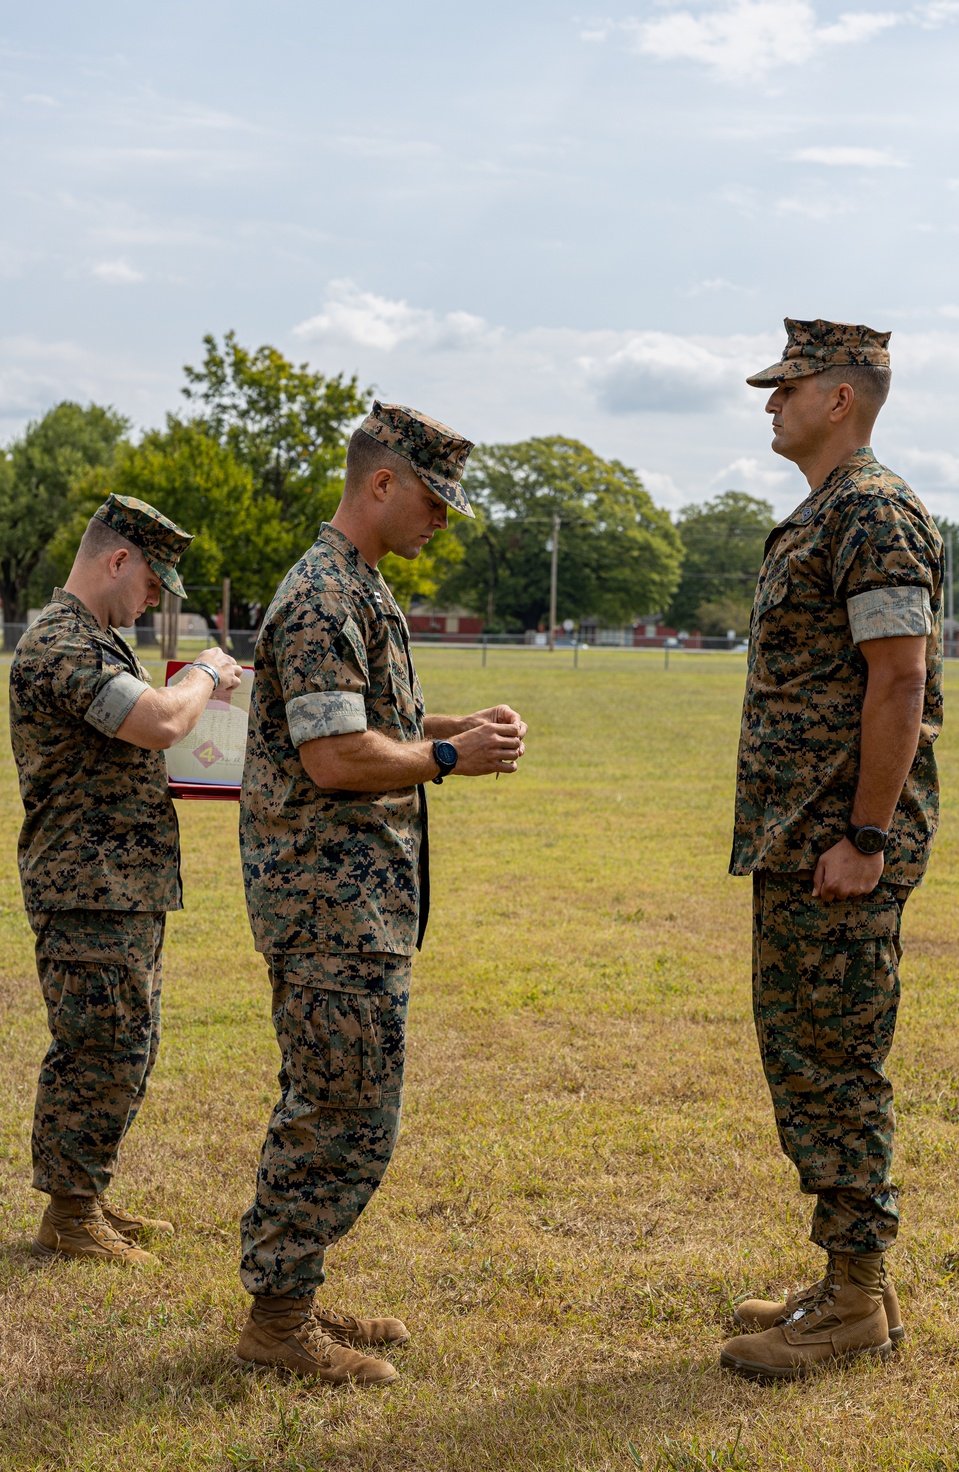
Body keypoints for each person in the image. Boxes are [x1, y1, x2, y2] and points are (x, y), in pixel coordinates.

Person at [236, 401, 527, 1387]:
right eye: (435, 500)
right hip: (326, 902)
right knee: (341, 1104)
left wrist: (455, 725)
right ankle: (278, 1318)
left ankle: (296, 1291)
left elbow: (372, 721)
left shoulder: (358, 585)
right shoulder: (322, 595)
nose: (442, 520)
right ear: (382, 482)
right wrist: (448, 754)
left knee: (349, 1097)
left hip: (355, 898)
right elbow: (333, 756)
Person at [719, 319, 944, 1381]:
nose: (770, 402)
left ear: (838, 398)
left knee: (835, 1063)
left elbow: (899, 679)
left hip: (835, 847)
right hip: (800, 840)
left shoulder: (872, 510)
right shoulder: (825, 512)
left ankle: (856, 1301)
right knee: (806, 1058)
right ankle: (848, 1275)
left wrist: (864, 835)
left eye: (787, 387)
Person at [9, 494, 242, 1266]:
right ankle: (69, 1217)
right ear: (117, 561)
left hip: (121, 882)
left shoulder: (99, 643)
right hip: (87, 886)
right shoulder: (62, 646)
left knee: (125, 1042)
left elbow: (152, 742)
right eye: (151, 585)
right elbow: (161, 723)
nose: (152, 603)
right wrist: (206, 671)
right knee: (98, 1046)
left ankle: (89, 1197)